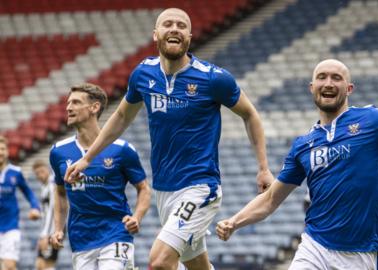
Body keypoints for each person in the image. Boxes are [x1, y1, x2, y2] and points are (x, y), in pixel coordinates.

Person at [64, 7, 274, 270]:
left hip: (200, 186)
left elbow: (250, 114)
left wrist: (264, 168)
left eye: (181, 25)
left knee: (160, 261)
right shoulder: (143, 74)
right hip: (165, 190)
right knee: (198, 266)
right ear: (156, 34)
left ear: (189, 36)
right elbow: (120, 117)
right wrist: (87, 159)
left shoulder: (213, 78)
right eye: (168, 24)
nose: (174, 29)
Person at [216, 59, 378, 269]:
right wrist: (234, 222)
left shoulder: (374, 120)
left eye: (337, 78)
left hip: (359, 253)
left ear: (349, 88)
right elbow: (270, 199)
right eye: (322, 77)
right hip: (315, 245)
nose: (328, 83)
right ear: (311, 87)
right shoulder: (303, 145)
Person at [49, 83, 151, 270]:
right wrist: (57, 228)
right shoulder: (58, 152)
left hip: (116, 231)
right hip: (81, 237)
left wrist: (137, 216)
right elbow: (60, 192)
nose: (68, 107)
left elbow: (144, 188)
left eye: (76, 102)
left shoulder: (122, 149)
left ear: (94, 107)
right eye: (68, 103)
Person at [0, 135, 41, 270]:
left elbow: (28, 192)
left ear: (7, 151)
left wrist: (35, 207)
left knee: (10, 266)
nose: (0, 152)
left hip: (11, 227)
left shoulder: (15, 172)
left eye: (3, 149)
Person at [32, 160, 58, 270]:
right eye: (37, 174)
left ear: (48, 169)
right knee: (45, 265)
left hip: (53, 230)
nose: (40, 175)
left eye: (41, 172)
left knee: (42, 265)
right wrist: (39, 214)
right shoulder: (44, 187)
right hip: (49, 230)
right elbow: (47, 211)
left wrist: (45, 235)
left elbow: (53, 210)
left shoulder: (53, 185)